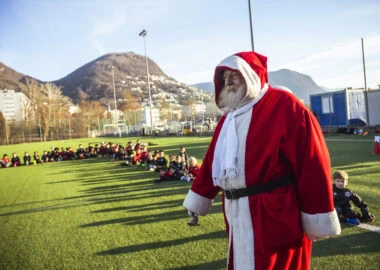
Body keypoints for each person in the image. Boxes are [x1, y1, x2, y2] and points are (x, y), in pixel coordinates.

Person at [183, 51, 341, 269]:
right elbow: (212, 163)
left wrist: (318, 214)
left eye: (234, 75)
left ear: (251, 76)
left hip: (275, 212)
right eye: (225, 76)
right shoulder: (227, 119)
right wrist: (199, 198)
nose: (228, 81)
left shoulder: (284, 105)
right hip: (236, 212)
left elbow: (312, 162)